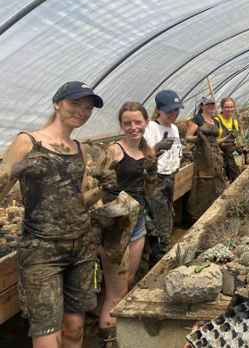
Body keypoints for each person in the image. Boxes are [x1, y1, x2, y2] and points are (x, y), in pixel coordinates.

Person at [0, 81, 103, 348]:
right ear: (58, 103)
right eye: (75, 104)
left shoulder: (78, 147)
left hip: (81, 247)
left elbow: (78, 200)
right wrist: (17, 170)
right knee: (47, 333)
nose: (82, 111)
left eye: (88, 107)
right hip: (42, 250)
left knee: (75, 329)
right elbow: (2, 187)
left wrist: (106, 190)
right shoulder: (28, 141)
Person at [98, 102, 157, 347]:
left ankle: (116, 333)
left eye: (137, 122)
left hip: (138, 220)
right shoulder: (114, 150)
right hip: (117, 225)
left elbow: (149, 185)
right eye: (127, 123)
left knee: (128, 280)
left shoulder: (147, 150)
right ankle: (109, 338)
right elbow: (95, 187)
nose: (133, 127)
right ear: (121, 125)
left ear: (145, 122)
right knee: (115, 291)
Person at [143, 90, 183, 265]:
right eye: (169, 111)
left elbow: (177, 151)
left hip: (170, 177)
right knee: (159, 223)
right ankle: (157, 260)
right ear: (159, 110)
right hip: (155, 180)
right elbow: (144, 159)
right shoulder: (150, 128)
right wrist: (158, 147)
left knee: (167, 215)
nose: (173, 115)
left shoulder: (174, 128)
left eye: (176, 111)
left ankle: (162, 254)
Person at [213, 97, 241, 182]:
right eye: (227, 107)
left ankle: (235, 177)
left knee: (237, 160)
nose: (229, 109)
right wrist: (225, 139)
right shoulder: (217, 120)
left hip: (232, 150)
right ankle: (231, 179)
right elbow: (212, 141)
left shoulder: (235, 122)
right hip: (219, 150)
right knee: (230, 158)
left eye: (231, 107)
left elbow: (237, 138)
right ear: (222, 108)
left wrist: (239, 144)